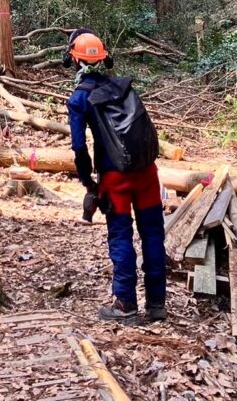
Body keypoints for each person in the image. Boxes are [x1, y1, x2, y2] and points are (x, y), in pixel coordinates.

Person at [66, 29, 166, 323]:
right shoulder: (123, 88)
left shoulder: (80, 99)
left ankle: (125, 303)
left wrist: (89, 184)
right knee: (153, 235)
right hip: (147, 173)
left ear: (74, 60)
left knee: (121, 236)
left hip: (115, 179)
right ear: (104, 58)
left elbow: (78, 146)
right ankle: (157, 303)